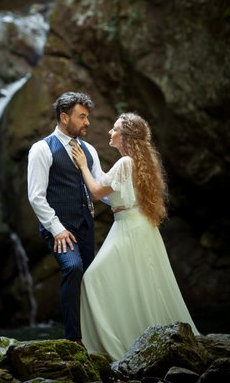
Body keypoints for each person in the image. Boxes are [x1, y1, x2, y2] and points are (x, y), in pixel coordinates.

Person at [71, 112, 199, 360]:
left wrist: (83, 166)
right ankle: (134, 338)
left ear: (126, 136)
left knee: (93, 279)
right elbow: (111, 194)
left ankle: (113, 344)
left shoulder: (125, 163)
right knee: (138, 284)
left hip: (129, 227)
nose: (110, 132)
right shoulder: (136, 163)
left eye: (115, 129)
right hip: (138, 225)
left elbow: (97, 192)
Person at [27, 91, 105, 343]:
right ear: (64, 117)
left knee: (90, 278)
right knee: (73, 267)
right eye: (81, 117)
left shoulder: (89, 150)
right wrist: (57, 229)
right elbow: (36, 196)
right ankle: (74, 338)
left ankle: (93, 336)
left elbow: (99, 187)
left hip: (86, 225)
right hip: (59, 228)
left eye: (87, 117)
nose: (87, 122)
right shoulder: (42, 149)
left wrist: (127, 203)